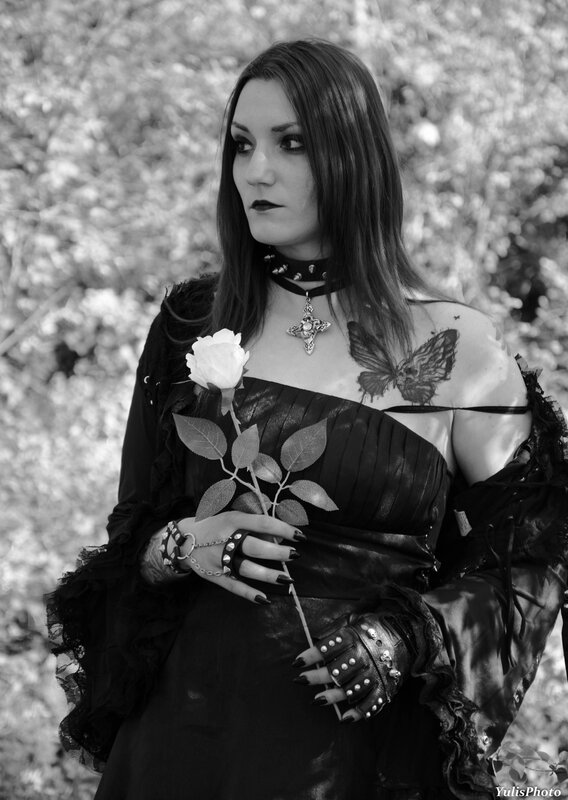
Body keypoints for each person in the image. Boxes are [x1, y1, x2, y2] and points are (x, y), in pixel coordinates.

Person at [48, 39, 568, 800]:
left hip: (343, 758)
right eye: (242, 144)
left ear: (355, 159)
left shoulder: (459, 349)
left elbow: (530, 562)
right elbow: (132, 539)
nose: (256, 170)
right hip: (177, 743)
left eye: (291, 144)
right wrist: (183, 544)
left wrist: (402, 638)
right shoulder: (195, 323)